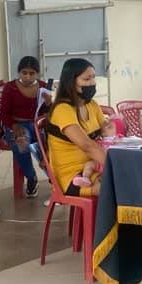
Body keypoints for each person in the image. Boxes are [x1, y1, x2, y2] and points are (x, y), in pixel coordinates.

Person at [46, 58, 107, 198]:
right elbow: (87, 146)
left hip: (93, 168)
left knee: (130, 178)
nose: (92, 83)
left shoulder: (92, 105)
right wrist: (116, 165)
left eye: (93, 78)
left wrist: (117, 126)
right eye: (86, 79)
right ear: (71, 82)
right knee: (120, 184)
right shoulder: (62, 110)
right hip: (72, 177)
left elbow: (107, 133)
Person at [0, 56, 45, 198]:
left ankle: (55, 180)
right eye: (24, 73)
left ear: (37, 74)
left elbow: (47, 112)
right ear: (19, 72)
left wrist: (49, 103)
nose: (27, 77)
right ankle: (31, 178)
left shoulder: (43, 86)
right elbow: (3, 113)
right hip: (16, 124)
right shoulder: (10, 87)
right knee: (21, 142)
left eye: (32, 73)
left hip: (37, 125)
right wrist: (14, 126)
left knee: (53, 143)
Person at [72, 116, 123, 188]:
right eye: (106, 126)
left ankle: (107, 179)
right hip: (99, 162)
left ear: (118, 132)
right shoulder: (101, 139)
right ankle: (85, 177)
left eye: (110, 127)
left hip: (110, 163)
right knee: (89, 164)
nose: (105, 128)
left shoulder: (117, 139)